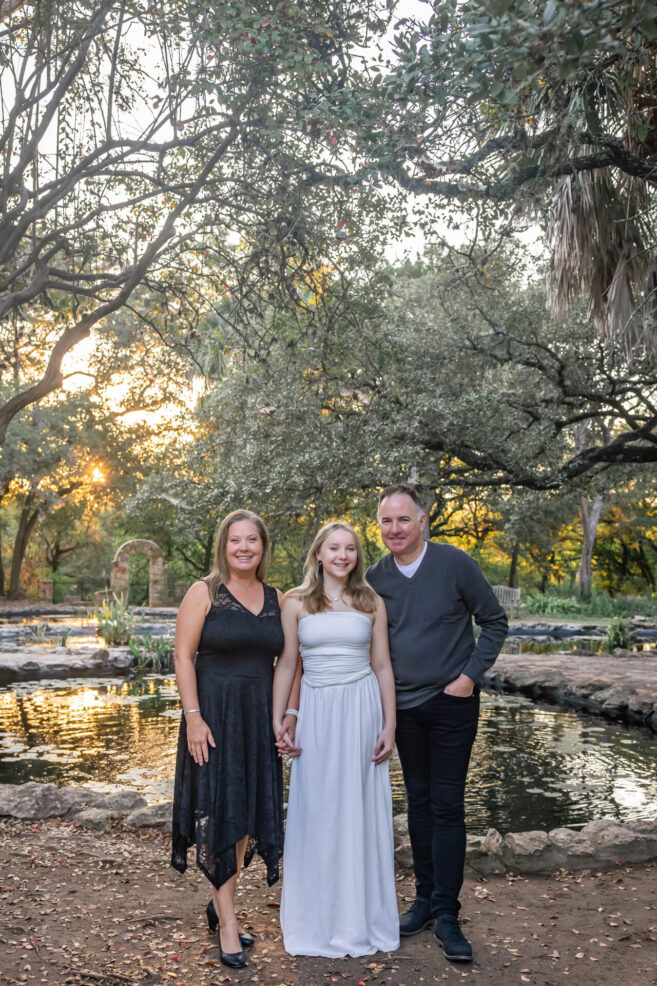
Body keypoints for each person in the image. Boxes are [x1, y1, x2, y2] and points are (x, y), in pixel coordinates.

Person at [366, 484, 508, 963]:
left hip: (452, 704)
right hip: (402, 709)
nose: (394, 529)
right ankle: (424, 900)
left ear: (423, 521)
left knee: (447, 805)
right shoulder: (374, 578)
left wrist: (469, 677)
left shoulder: (454, 563)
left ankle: (448, 914)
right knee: (420, 805)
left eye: (403, 520)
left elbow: (495, 622)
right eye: (386, 521)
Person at [273, 521, 400, 958]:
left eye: (350, 549)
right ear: (318, 555)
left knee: (359, 810)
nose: (343, 556)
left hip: (362, 710)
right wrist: (283, 719)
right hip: (317, 713)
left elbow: (382, 666)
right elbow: (289, 666)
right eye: (334, 548)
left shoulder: (371, 602)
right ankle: (316, 918)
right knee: (318, 810)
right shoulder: (294, 603)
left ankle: (359, 918)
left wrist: (390, 725)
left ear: (356, 556)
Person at [170, 510, 284, 970]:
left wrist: (284, 718)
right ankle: (229, 923)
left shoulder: (277, 598)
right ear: (224, 546)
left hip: (256, 719)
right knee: (221, 811)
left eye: (252, 540)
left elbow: (287, 664)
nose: (243, 548)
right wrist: (193, 718)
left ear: (263, 546)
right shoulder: (204, 592)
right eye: (235, 540)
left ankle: (220, 906)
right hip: (213, 719)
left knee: (245, 812)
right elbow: (182, 656)